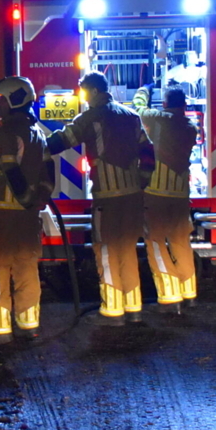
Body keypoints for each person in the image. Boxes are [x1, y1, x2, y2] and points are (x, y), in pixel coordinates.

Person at [46, 71, 155, 325]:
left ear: (94, 91)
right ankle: (134, 307)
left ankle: (113, 310)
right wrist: (142, 180)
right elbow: (148, 150)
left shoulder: (90, 117)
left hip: (107, 199)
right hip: (132, 197)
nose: (83, 98)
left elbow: (62, 140)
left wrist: (32, 145)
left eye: (84, 92)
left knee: (106, 250)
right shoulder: (131, 116)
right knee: (127, 250)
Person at [0, 77, 54, 344]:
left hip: (4, 216)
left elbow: (10, 170)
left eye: (1, 100)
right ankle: (28, 325)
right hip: (28, 217)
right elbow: (48, 172)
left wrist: (22, 198)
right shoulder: (37, 132)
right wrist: (37, 200)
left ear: (13, 100)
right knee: (26, 268)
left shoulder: (6, 133)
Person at [132, 85, 199, 314]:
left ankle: (170, 296)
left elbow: (137, 107)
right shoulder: (191, 127)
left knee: (156, 242)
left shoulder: (156, 118)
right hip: (181, 196)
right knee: (181, 242)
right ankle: (189, 293)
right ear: (184, 105)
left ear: (164, 104)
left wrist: (144, 89)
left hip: (156, 193)